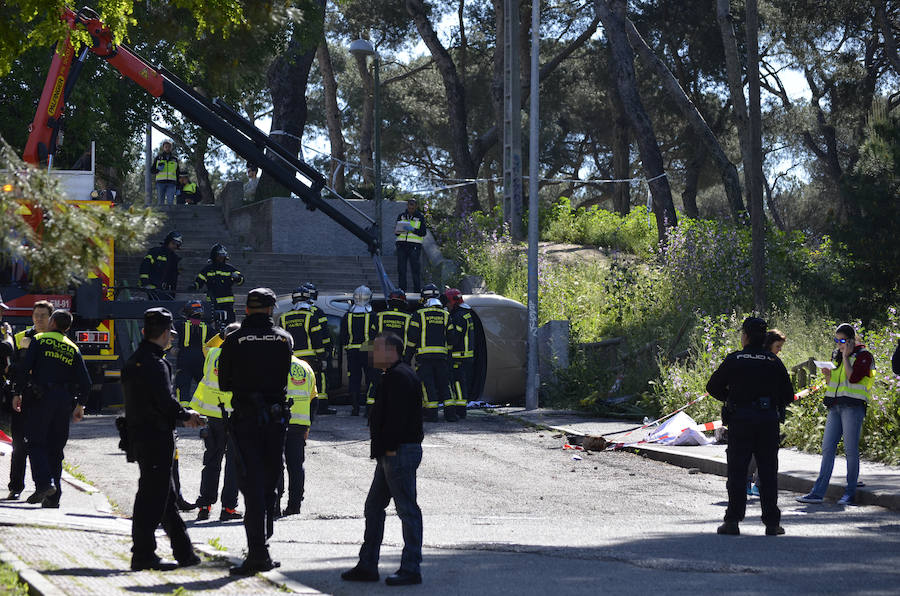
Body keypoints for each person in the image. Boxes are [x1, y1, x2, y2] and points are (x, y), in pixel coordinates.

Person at [218, 288, 293, 575]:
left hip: (247, 419)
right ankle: (264, 546)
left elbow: (224, 383)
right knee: (270, 482)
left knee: (250, 485)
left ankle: (256, 553)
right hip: (275, 420)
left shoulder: (234, 339)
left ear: (247, 310)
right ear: (272, 309)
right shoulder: (284, 338)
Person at [122, 307, 203, 571]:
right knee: (151, 497)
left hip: (140, 435)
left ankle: (184, 552)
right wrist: (186, 414)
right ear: (167, 334)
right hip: (156, 437)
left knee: (165, 497)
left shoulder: (135, 359)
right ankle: (143, 554)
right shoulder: (155, 363)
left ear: (145, 331)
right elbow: (164, 401)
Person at [341, 333, 424, 586]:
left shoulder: (399, 376)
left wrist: (387, 448)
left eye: (376, 349)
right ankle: (367, 565)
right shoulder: (394, 375)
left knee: (407, 510)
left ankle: (411, 568)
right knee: (374, 507)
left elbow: (396, 418)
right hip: (390, 453)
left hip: (397, 452)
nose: (371, 355)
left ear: (391, 351)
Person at [706, 317, 793, 536]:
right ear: (764, 338)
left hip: (741, 420)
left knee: (737, 472)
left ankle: (733, 521)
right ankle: (772, 524)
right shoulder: (773, 361)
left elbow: (712, 386)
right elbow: (788, 395)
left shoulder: (736, 359)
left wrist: (731, 398)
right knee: (768, 472)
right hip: (767, 422)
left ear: (745, 336)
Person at [14, 310, 92, 507]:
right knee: (56, 449)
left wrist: (17, 392)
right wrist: (80, 405)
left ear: (53, 322)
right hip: (63, 402)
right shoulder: (72, 347)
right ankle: (53, 499)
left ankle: (44, 484)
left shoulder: (39, 339)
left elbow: (24, 369)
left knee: (36, 442)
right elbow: (86, 382)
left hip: (41, 399)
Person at [796, 323, 874, 506]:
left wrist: (846, 357)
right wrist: (827, 375)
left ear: (851, 340)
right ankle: (817, 493)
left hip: (853, 407)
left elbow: (853, 378)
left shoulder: (864, 356)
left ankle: (850, 493)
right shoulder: (836, 354)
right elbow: (834, 383)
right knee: (827, 449)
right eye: (836, 340)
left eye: (842, 340)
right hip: (835, 406)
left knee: (850, 451)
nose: (839, 344)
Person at [190, 322, 242, 522]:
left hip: (213, 417)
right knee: (233, 465)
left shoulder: (212, 354)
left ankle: (204, 505)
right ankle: (228, 509)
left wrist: (221, 334)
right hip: (235, 417)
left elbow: (207, 346)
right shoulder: (244, 356)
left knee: (211, 461)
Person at [5, 300, 52, 501]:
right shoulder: (20, 337)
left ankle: (43, 488)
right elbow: (11, 368)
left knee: (42, 446)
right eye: (36, 315)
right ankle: (16, 487)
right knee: (19, 446)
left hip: (45, 400)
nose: (39, 319)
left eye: (43, 315)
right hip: (24, 396)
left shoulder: (55, 340)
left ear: (51, 318)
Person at [746, 328, 788, 498]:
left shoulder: (773, 361)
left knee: (766, 452)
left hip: (769, 413)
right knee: (756, 451)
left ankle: (757, 484)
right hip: (760, 413)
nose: (780, 350)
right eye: (778, 346)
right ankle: (750, 482)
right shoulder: (767, 362)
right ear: (769, 344)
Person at [280, 284, 333, 416]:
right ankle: (320, 407)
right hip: (310, 358)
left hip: (291, 358)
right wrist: (322, 357)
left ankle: (294, 406)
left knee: (293, 382)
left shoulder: (284, 317)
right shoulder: (311, 317)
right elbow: (317, 340)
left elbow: (282, 340)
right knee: (317, 380)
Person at [410, 284, 457, 422]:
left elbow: (412, 339)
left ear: (424, 297)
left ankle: (432, 414)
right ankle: (451, 414)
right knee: (445, 384)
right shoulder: (446, 315)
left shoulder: (419, 314)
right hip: (442, 357)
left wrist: (406, 357)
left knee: (427, 384)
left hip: (424, 358)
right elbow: (452, 338)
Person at [365, 289, 414, 414]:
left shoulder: (379, 316)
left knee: (375, 382)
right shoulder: (408, 318)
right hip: (398, 357)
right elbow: (410, 339)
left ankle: (370, 408)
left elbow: (371, 336)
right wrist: (407, 358)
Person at [280, 355, 317, 516]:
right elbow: (314, 398)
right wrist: (308, 424)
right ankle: (294, 505)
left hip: (277, 423)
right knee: (296, 465)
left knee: (275, 465)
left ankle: (274, 504)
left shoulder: (272, 363)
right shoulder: (305, 367)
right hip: (299, 423)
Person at [341, 286, 375, 417]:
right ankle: (368, 409)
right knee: (370, 379)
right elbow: (376, 333)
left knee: (354, 379)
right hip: (368, 349)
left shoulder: (347, 316)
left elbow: (343, 335)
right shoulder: (372, 315)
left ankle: (355, 409)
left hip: (352, 351)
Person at [192, 244, 244, 324]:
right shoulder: (207, 270)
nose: (221, 258)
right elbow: (199, 282)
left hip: (227, 306)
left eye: (222, 256)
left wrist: (238, 278)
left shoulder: (229, 269)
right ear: (214, 256)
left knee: (230, 327)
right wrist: (194, 286)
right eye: (219, 256)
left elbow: (241, 280)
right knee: (213, 328)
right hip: (212, 305)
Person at [305, 283, 334, 416]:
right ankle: (322, 406)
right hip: (316, 353)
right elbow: (324, 334)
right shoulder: (317, 312)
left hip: (298, 354)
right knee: (320, 378)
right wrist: (326, 351)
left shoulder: (293, 314)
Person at [446, 288, 475, 420]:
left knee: (458, 383)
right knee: (462, 382)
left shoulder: (458, 316)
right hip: (466, 356)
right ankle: (461, 409)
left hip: (459, 356)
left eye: (448, 302)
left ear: (453, 302)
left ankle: (460, 410)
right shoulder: (466, 313)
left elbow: (455, 338)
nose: (447, 305)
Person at [174, 300, 209, 406]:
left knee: (183, 386)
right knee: (204, 386)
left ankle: (183, 411)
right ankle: (204, 408)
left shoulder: (179, 325)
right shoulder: (208, 327)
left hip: (184, 359)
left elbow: (164, 333)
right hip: (202, 360)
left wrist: (170, 348)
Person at [394, 198, 427, 293]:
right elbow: (396, 232)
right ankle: (402, 291)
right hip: (401, 245)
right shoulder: (402, 216)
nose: (410, 208)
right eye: (409, 206)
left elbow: (423, 232)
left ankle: (417, 291)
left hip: (414, 246)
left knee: (415, 270)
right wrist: (398, 230)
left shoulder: (420, 217)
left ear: (416, 206)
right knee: (401, 270)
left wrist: (413, 230)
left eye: (412, 206)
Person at [139, 231, 183, 300]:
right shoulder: (155, 252)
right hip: (151, 289)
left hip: (165, 291)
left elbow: (173, 278)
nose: (174, 246)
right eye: (173, 243)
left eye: (177, 245)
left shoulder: (174, 258)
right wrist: (145, 283)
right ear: (168, 241)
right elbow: (144, 267)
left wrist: (173, 293)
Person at [154, 140, 179, 206]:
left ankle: (170, 216)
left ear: (171, 148)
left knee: (170, 202)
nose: (167, 148)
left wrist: (178, 186)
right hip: (160, 183)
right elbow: (152, 170)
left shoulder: (175, 159)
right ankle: (160, 216)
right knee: (160, 202)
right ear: (163, 148)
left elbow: (177, 173)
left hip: (172, 183)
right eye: (166, 147)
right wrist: (158, 169)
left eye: (169, 147)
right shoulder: (158, 158)